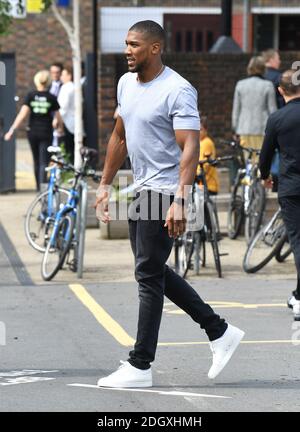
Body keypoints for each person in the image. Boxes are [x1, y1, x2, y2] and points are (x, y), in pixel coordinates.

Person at [95, 20, 244, 388]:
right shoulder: (126, 83)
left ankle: (141, 364)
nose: (127, 50)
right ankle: (219, 330)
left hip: (164, 191)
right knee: (153, 269)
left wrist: (182, 198)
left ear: (155, 48)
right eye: (126, 44)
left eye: (134, 45)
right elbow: (119, 136)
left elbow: (190, 145)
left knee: (148, 273)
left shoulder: (178, 90)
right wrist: (104, 184)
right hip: (140, 187)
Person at [259, 69, 300, 321]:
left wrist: (264, 175)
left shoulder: (277, 119)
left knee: (297, 241)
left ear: (280, 90)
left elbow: (265, 155)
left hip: (291, 187)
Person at [4, 70, 62, 191]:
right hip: (46, 133)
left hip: (33, 133)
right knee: (44, 162)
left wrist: (11, 130)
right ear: (48, 82)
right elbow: (58, 117)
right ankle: (43, 189)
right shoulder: (51, 97)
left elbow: (22, 115)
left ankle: (38, 189)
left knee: (36, 161)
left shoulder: (31, 95)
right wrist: (59, 128)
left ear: (36, 81)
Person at [232, 56, 277, 164]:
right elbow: (272, 110)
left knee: (248, 162)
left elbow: (236, 110)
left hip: (244, 128)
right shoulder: (268, 85)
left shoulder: (240, 85)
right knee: (261, 161)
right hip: (262, 129)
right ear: (263, 69)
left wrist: (235, 129)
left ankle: (249, 180)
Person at [197, 116, 219, 195]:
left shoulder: (206, 143)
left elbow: (204, 165)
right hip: (200, 183)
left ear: (206, 130)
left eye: (201, 129)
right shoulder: (199, 142)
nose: (198, 132)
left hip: (208, 184)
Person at [58, 66, 75, 163]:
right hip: (70, 122)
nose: (61, 77)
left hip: (67, 122)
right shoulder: (72, 87)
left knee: (67, 148)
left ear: (69, 76)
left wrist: (57, 119)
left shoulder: (67, 87)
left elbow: (63, 107)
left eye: (63, 75)